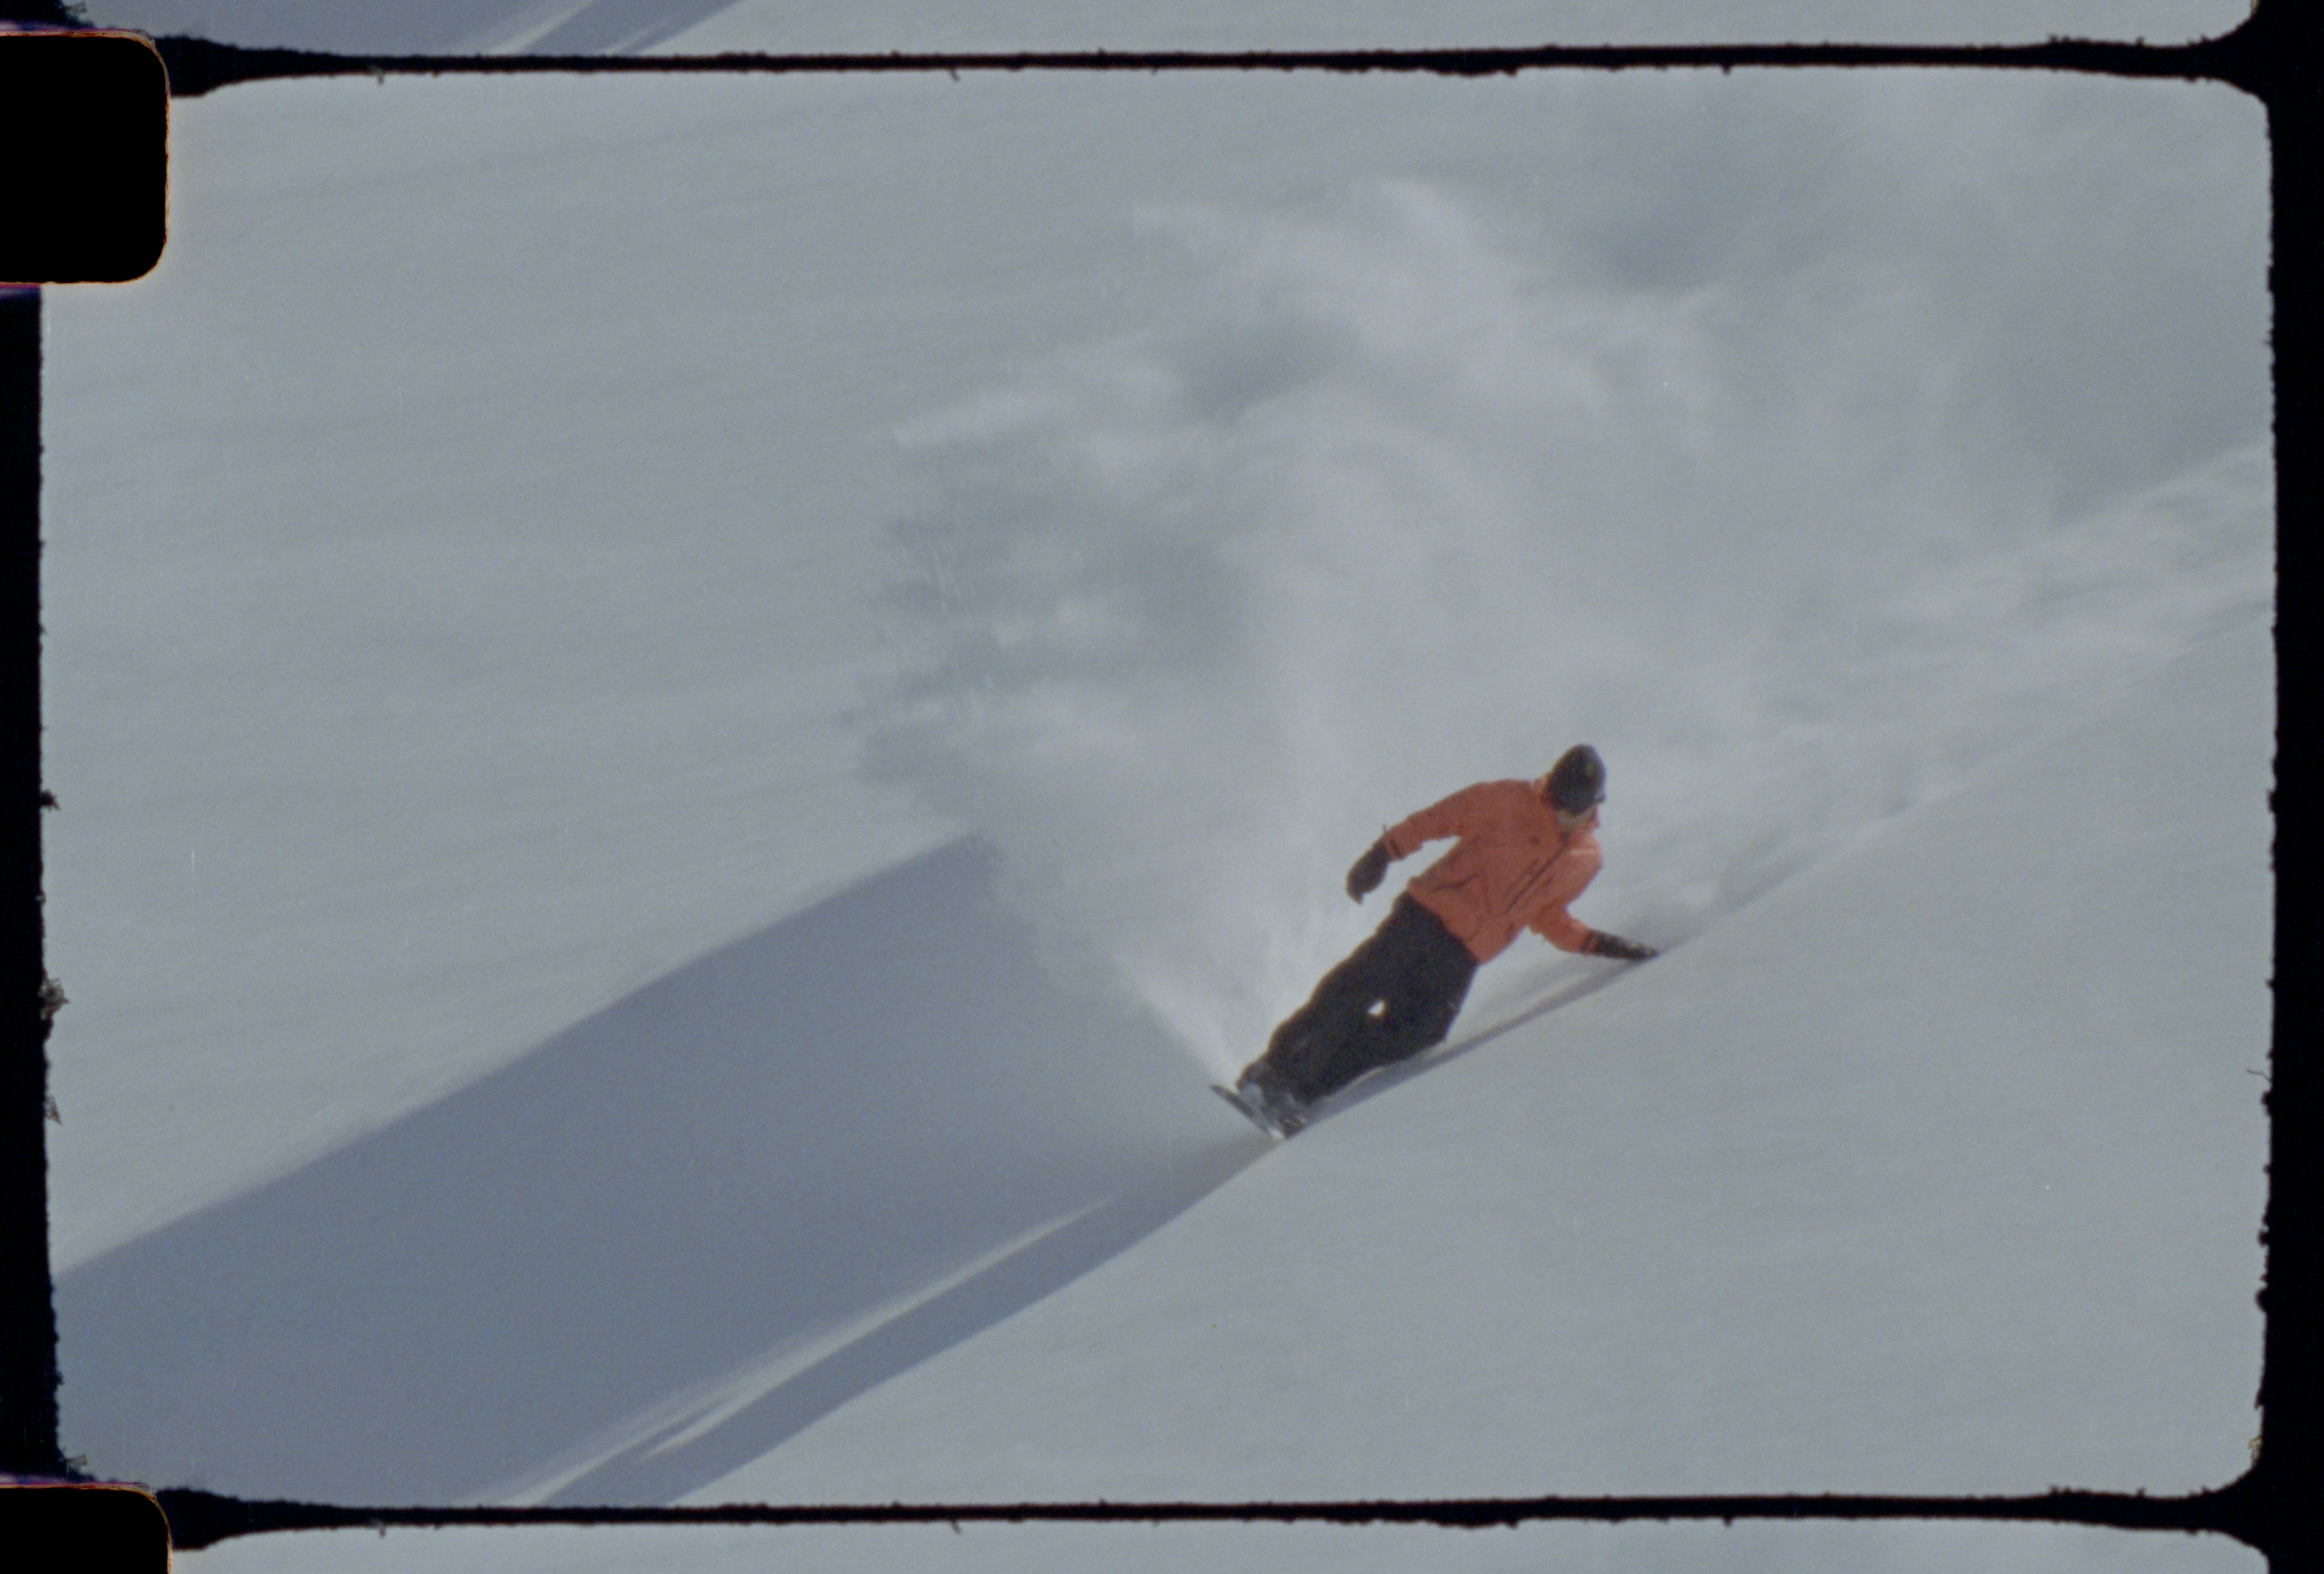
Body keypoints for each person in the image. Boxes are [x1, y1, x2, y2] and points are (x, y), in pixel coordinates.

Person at [1233, 744, 1656, 1135]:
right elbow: (1439, 818)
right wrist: (1382, 854)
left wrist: (1602, 945)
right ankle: (1273, 1072)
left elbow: (1548, 918)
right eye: (1558, 801)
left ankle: (1303, 1092)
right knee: (1359, 987)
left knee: (1418, 1033)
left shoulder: (1585, 861)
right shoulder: (1511, 799)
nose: (1562, 813)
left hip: (1465, 954)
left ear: (1595, 806)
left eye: (1574, 808)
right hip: (1426, 916)